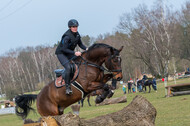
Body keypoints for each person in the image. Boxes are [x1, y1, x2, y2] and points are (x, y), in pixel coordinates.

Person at [55, 19, 87, 95]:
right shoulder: (67, 36)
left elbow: (80, 44)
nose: (75, 28)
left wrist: (87, 48)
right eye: (73, 27)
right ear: (70, 27)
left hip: (69, 52)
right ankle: (67, 87)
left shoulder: (77, 34)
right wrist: (74, 52)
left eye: (76, 26)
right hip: (61, 53)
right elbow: (64, 49)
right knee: (69, 67)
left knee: (80, 61)